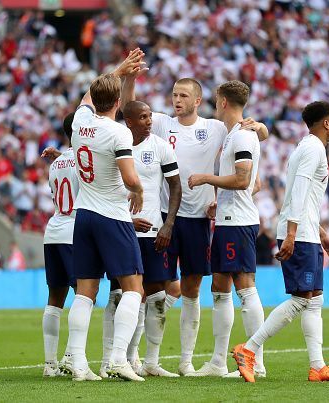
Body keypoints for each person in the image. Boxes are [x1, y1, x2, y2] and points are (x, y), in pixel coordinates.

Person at [122, 71, 268, 376]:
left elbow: (252, 135)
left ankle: (186, 361)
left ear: (198, 101)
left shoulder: (215, 128)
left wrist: (260, 127)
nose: (177, 100)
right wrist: (129, 79)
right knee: (154, 288)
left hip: (200, 219)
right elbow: (129, 108)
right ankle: (148, 360)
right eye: (174, 94)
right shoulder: (162, 123)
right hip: (165, 217)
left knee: (191, 289)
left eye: (183, 96)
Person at [232, 101, 329, 383]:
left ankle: (318, 366)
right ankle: (248, 349)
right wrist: (291, 234)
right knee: (301, 300)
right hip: (298, 233)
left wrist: (321, 234)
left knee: (314, 301)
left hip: (305, 231)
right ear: (325, 123)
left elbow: (305, 198)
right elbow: (298, 192)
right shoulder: (313, 149)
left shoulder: (306, 147)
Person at [67, 49, 147, 382]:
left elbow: (89, 94)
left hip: (83, 215)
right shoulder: (118, 133)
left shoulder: (79, 121)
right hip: (111, 215)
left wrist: (118, 71)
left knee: (85, 292)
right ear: (117, 102)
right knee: (134, 289)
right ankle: (117, 359)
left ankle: (76, 360)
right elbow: (129, 178)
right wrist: (139, 191)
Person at [187, 80, 266, 378]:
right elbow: (251, 183)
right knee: (219, 288)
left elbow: (244, 180)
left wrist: (208, 178)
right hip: (226, 220)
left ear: (222, 101)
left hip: (239, 223)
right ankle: (218, 362)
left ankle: (256, 362)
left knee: (245, 287)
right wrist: (220, 204)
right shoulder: (240, 132)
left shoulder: (243, 136)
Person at [101, 100, 182, 378]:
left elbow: (175, 186)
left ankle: (150, 361)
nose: (150, 121)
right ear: (130, 121)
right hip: (121, 230)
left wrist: (168, 224)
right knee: (120, 296)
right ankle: (114, 358)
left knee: (157, 296)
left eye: (150, 116)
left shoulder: (160, 146)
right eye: (144, 117)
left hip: (153, 233)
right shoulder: (115, 144)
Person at [40, 112, 79, 377]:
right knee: (85, 294)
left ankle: (49, 364)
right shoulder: (88, 159)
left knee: (55, 299)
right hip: (75, 232)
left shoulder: (55, 163)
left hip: (53, 231)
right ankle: (69, 356)